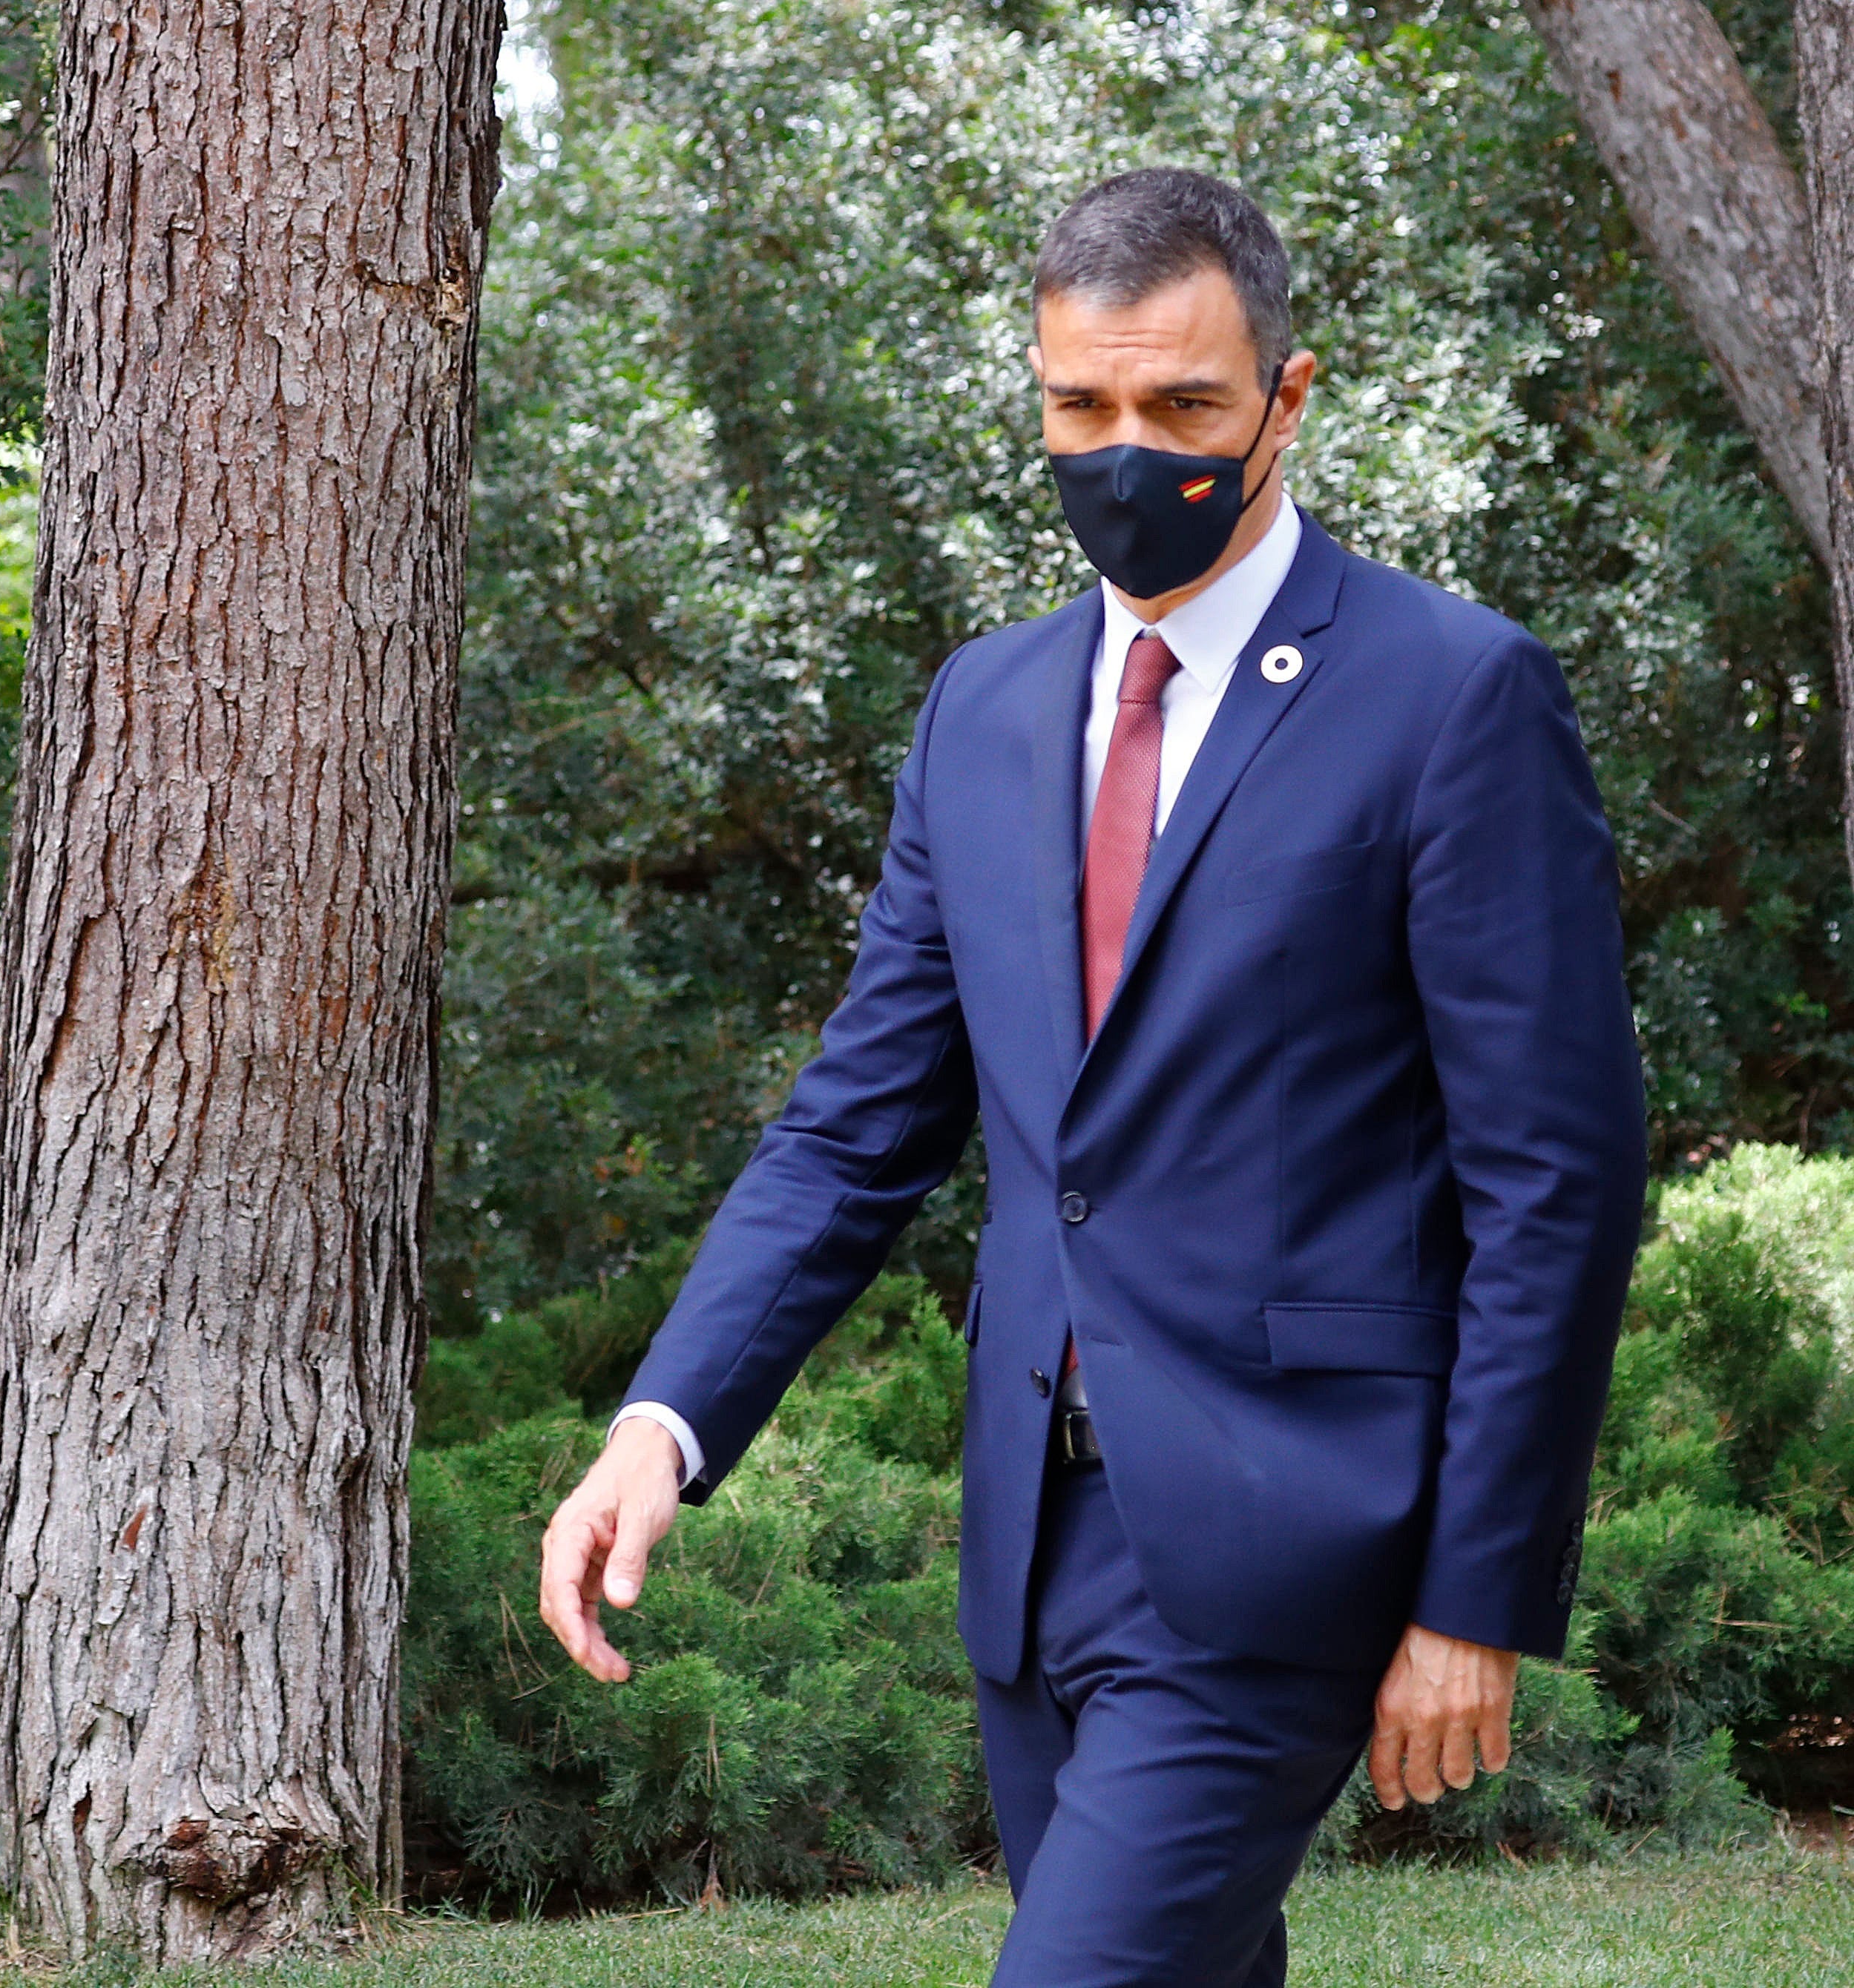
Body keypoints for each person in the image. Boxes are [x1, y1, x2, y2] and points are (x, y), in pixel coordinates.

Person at [535, 167, 1648, 1987]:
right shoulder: (980, 708)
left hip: (1293, 1528)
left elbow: (1555, 1180)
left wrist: (1475, 1587)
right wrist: (659, 1428)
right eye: (1081, 408)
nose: (1126, 451)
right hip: (1033, 1552)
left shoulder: (1452, 697)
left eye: (1182, 406)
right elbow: (852, 1131)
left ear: (1283, 398)